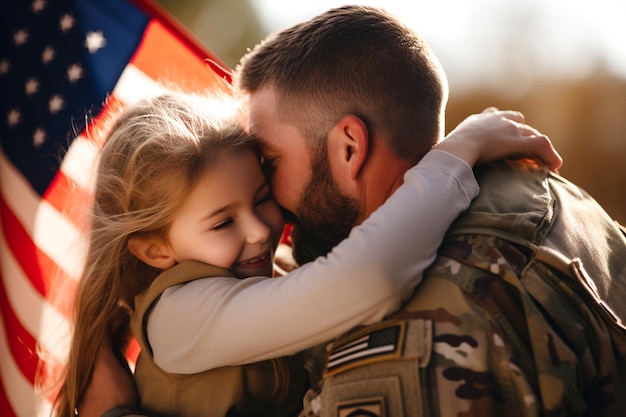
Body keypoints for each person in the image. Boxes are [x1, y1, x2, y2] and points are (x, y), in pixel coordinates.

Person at [53, 88, 558, 417]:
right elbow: (371, 276)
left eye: (262, 198)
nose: (259, 230)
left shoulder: (259, 273)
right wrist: (456, 154)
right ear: (156, 249)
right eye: (223, 221)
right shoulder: (180, 315)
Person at [231, 5, 626, 417]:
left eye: (271, 162)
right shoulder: (526, 183)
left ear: (349, 148)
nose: (265, 198)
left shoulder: (411, 345)